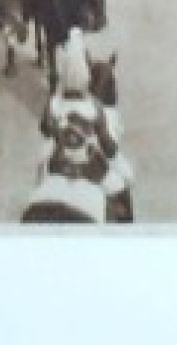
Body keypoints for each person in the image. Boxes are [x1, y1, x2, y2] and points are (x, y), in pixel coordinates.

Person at [40, 30, 131, 221]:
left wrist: (58, 129)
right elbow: (107, 144)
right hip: (88, 166)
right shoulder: (94, 106)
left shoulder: (53, 102)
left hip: (58, 164)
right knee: (122, 184)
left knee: (40, 173)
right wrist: (118, 160)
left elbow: (44, 128)